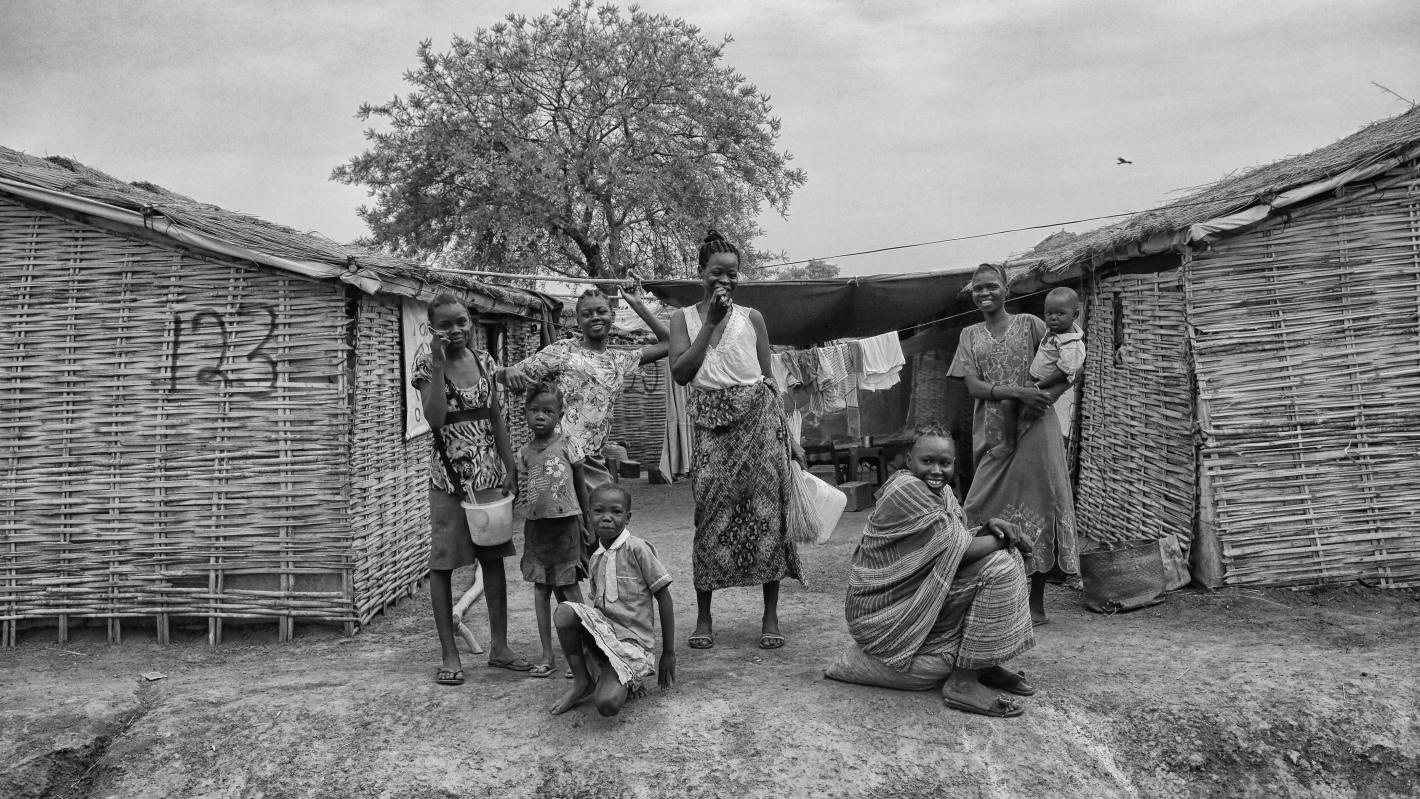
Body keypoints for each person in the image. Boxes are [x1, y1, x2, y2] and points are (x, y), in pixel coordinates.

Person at [829, 428, 1037, 717]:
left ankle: (983, 664)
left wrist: (989, 527)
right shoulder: (906, 490)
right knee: (1000, 565)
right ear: (909, 461)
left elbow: (950, 544)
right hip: (882, 613)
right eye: (927, 461)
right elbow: (957, 550)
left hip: (912, 599)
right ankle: (963, 682)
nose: (937, 470)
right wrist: (1004, 538)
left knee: (1004, 559)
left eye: (945, 463)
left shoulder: (943, 492)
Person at [668, 230, 805, 651]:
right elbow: (681, 373)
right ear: (699, 274)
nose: (724, 280)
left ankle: (769, 614)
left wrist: (790, 440)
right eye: (715, 273)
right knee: (709, 513)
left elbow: (768, 381)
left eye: (732, 273)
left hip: (761, 427)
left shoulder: (753, 318)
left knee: (768, 513)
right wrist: (709, 323)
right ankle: (705, 616)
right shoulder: (683, 320)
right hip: (712, 428)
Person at [949, 264, 1079, 625]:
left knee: (1037, 504)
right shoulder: (969, 335)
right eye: (978, 289)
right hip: (993, 433)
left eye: (991, 286)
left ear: (1007, 289)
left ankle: (1034, 605)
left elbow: (1067, 365)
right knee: (981, 506)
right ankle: (985, 595)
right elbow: (973, 387)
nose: (984, 293)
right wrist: (1017, 391)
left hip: (1036, 427)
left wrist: (1046, 397)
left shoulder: (1031, 324)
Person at [412, 294, 529, 685]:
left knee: (493, 559)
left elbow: (496, 418)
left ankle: (500, 647)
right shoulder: (426, 363)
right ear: (432, 328)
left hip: (489, 477)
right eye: (445, 325)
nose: (456, 330)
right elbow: (435, 417)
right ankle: (449, 653)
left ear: (470, 321)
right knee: (444, 562)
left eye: (461, 321)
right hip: (448, 478)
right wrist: (440, 363)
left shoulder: (485, 361)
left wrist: (510, 468)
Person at [499, 279, 670, 490]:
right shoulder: (563, 350)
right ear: (578, 321)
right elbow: (508, 375)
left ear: (612, 316)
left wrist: (636, 303)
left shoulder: (619, 360)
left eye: (601, 312)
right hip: (559, 453)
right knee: (563, 519)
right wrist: (507, 371)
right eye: (587, 314)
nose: (595, 317)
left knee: (601, 517)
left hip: (593, 457)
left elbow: (668, 342)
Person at [550, 484, 675, 716]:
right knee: (564, 612)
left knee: (607, 704)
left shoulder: (638, 549)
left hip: (634, 645)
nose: (607, 518)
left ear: (627, 517)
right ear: (589, 516)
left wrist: (668, 652)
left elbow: (664, 598)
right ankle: (582, 681)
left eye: (616, 512)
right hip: (605, 638)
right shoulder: (595, 557)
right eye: (599, 511)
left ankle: (629, 676)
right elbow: (597, 611)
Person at [516, 381, 590, 678]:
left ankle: (586, 651)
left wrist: (586, 522)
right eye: (534, 410)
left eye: (548, 411)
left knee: (570, 591)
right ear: (526, 414)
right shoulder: (524, 452)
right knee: (541, 590)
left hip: (567, 526)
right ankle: (548, 655)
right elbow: (528, 489)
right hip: (537, 529)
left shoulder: (568, 444)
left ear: (559, 414)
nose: (540, 416)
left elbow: (581, 485)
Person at [991, 287, 1086, 459]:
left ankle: (1018, 447)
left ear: (1075, 314)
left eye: (1060, 313)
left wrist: (1037, 385)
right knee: (1008, 405)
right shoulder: (1056, 331)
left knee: (1028, 414)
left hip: (1048, 386)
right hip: (1035, 382)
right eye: (1049, 313)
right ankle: (1010, 443)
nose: (1053, 318)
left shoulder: (1072, 345)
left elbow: (1064, 373)